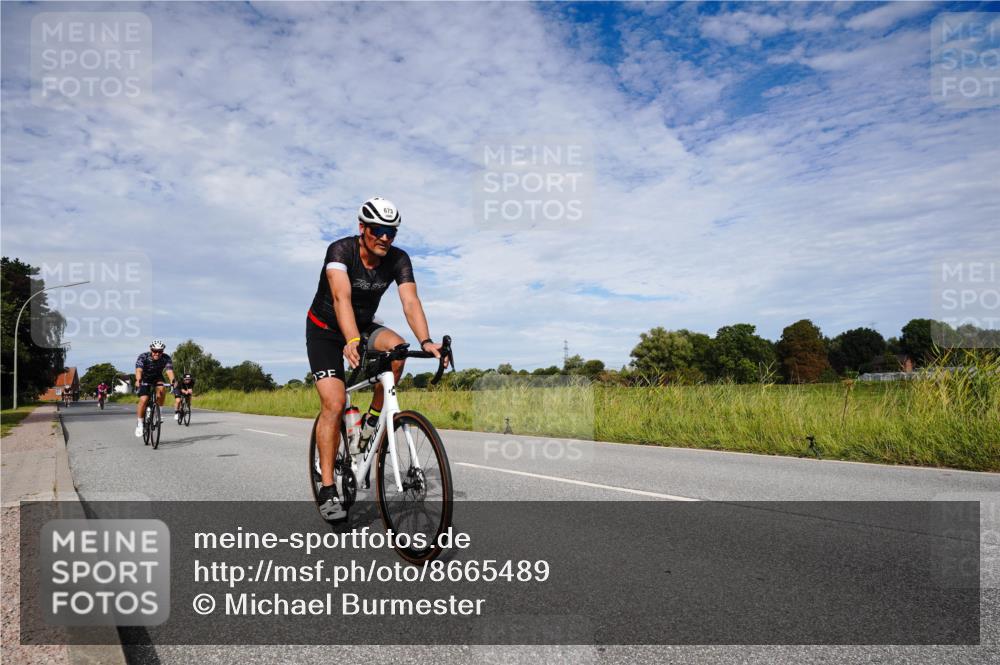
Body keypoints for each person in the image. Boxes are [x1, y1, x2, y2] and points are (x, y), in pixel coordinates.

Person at [306, 196, 445, 520]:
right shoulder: (341, 251)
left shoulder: (398, 258)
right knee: (334, 403)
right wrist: (351, 339)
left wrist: (426, 341)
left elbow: (410, 302)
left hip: (364, 326)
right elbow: (341, 298)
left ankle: (371, 422)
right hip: (325, 330)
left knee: (398, 351)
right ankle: (328, 488)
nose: (384, 237)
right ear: (362, 228)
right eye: (378, 230)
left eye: (391, 231)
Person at [134, 340, 177, 437]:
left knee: (162, 389)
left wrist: (173, 381)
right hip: (144, 378)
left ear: (162, 351)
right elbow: (139, 370)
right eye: (155, 351)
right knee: (144, 399)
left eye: (160, 351)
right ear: (151, 349)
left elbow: (169, 371)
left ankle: (159, 413)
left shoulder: (166, 358)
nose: (157, 353)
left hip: (157, 377)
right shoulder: (143, 356)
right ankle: (140, 424)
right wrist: (138, 380)